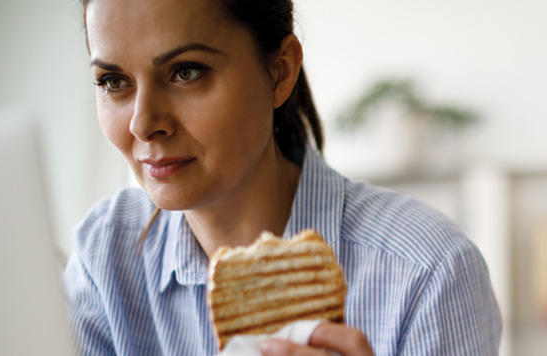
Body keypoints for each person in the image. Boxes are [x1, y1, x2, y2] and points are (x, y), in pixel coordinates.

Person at [63, 0, 502, 354]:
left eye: (186, 72)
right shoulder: (102, 261)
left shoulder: (428, 272)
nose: (143, 123)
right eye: (113, 81)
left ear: (281, 71)